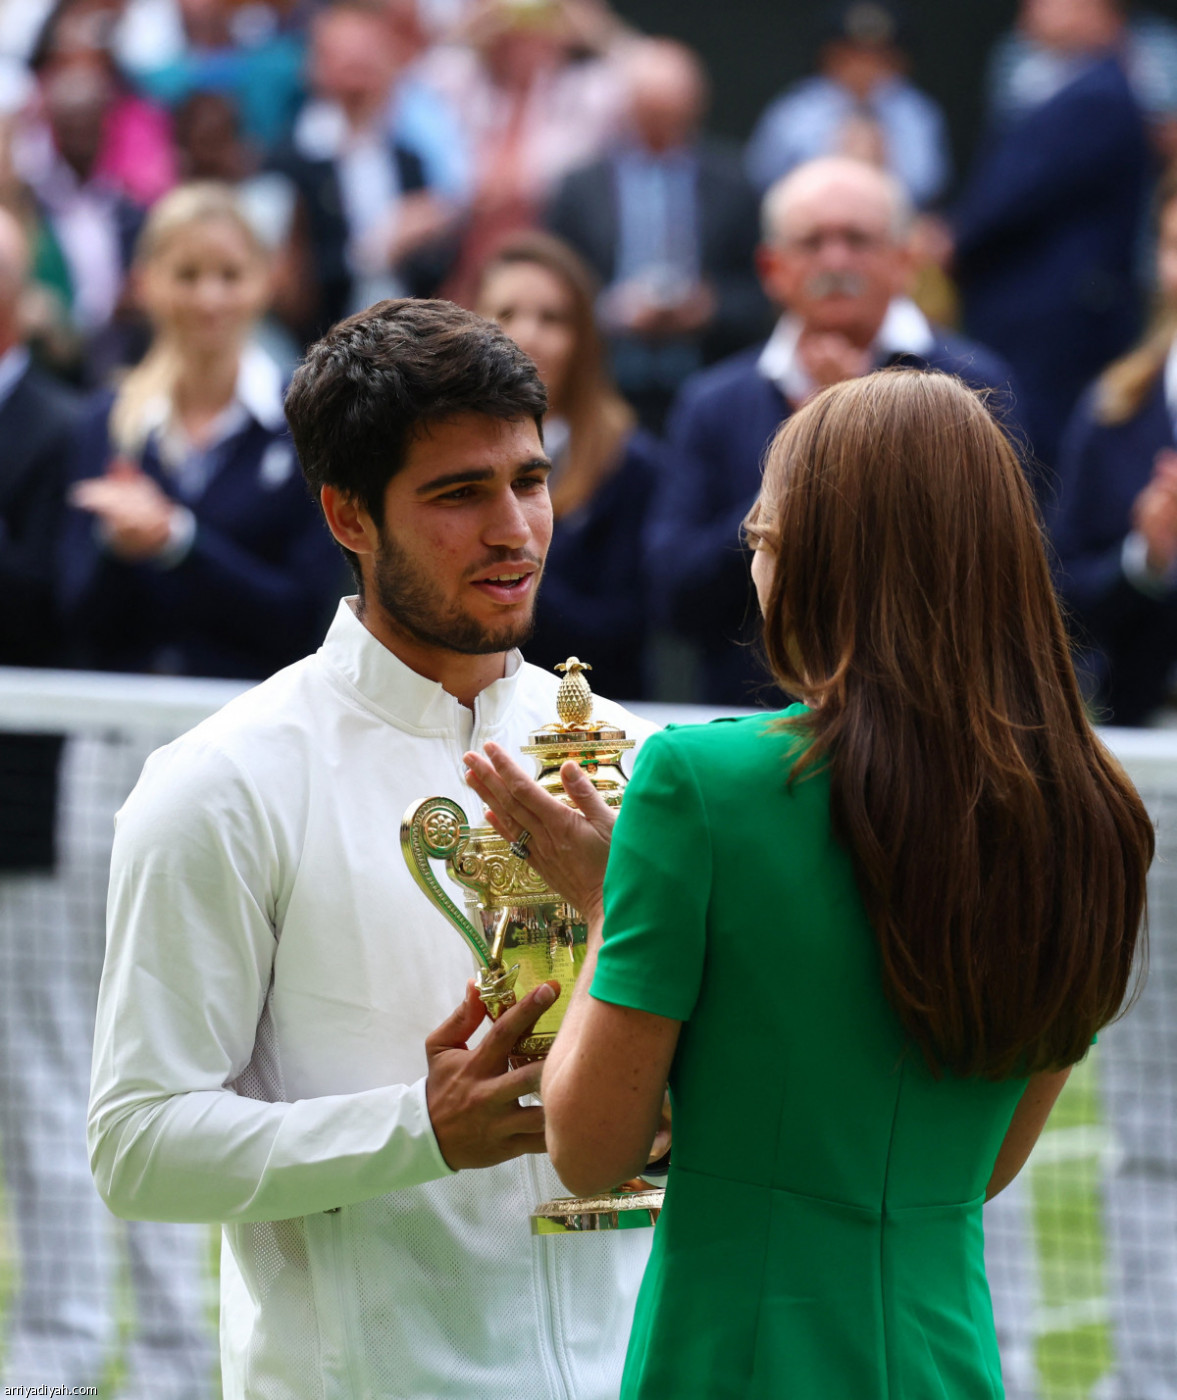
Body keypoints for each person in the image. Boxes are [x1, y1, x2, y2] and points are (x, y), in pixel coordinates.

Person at [465, 367, 1154, 1399]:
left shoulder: (703, 784)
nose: (754, 563)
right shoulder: (1097, 814)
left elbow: (589, 1146)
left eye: (760, 537)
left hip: (730, 1357)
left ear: (816, 555)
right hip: (948, 1357)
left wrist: (613, 908)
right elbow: (990, 1163)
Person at [87, 297, 656, 1400]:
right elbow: (139, 1145)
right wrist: (420, 1129)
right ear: (347, 514)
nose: (515, 529)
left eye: (529, 480)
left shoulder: (635, 755)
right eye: (458, 492)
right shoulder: (226, 780)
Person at [648, 155, 1024, 705]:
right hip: (751, 728)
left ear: (905, 260)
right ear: (771, 267)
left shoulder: (976, 385)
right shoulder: (713, 403)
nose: (835, 259)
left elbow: (1000, 579)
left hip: (926, 724)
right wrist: (803, 462)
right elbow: (675, 597)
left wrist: (860, 441)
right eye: (812, 242)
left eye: (857, 238)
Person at [59, 181, 342, 680]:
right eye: (186, 275)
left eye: (230, 275)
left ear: (266, 279)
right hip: (116, 722)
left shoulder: (309, 422)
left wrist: (177, 541)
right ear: (145, 282)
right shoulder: (103, 421)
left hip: (251, 728)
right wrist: (115, 548)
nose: (209, 298)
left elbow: (308, 616)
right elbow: (70, 611)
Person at [953, 0, 1151, 469]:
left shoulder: (1097, 92)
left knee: (1032, 457)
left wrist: (953, 239)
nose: (1033, 8)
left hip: (1056, 324)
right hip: (1033, 316)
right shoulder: (1053, 82)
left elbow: (1015, 195)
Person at [474, 230, 662, 698]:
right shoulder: (437, 456)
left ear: (585, 338)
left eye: (552, 318)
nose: (527, 334)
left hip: (587, 721)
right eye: (506, 313)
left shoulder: (630, 462)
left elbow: (626, 626)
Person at [546, 37, 767, 431]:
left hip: (707, 372)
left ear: (695, 108)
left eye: (671, 115)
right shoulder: (580, 187)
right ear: (626, 108)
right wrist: (609, 310)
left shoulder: (734, 185)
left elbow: (762, 291)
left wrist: (707, 308)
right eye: (650, 113)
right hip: (603, 380)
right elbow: (553, 285)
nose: (660, 128)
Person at [1052, 168, 1177, 726]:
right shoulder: (1112, 411)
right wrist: (1143, 560)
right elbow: (1059, 601)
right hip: (1141, 741)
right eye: (1175, 246)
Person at [269, 0, 458, 342]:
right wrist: (380, 247)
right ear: (315, 67)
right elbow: (292, 285)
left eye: (369, 63)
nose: (358, 81)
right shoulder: (290, 161)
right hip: (321, 343)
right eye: (346, 64)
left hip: (406, 344)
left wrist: (436, 233)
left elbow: (431, 272)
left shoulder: (407, 157)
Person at [745, 0, 951, 210]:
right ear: (828, 57)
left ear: (899, 63)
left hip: (892, 225)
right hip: (811, 219)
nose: (864, 68)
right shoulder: (795, 111)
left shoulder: (916, 111)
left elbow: (929, 186)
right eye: (851, 56)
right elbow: (761, 178)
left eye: (879, 58)